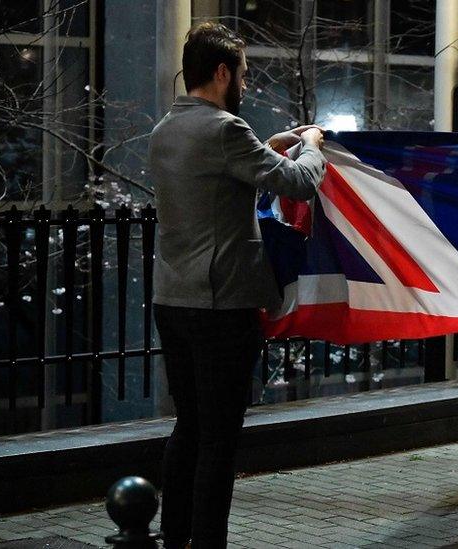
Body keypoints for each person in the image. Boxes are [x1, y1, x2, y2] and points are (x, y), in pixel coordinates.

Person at [149, 22, 327, 548]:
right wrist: (312, 145)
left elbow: (212, 197)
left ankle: (174, 534)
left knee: (190, 427)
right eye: (243, 74)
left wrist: (266, 149)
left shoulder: (165, 130)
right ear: (223, 72)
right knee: (219, 440)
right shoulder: (225, 129)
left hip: (173, 299)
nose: (246, 84)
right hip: (221, 304)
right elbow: (298, 182)